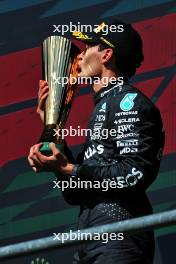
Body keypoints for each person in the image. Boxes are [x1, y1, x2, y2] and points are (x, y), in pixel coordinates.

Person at [28, 20, 165, 264]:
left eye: (88, 47)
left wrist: (68, 168)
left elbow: (134, 173)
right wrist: (53, 130)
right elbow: (75, 194)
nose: (79, 56)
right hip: (91, 238)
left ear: (106, 54)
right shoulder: (103, 106)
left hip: (120, 237)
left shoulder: (129, 103)